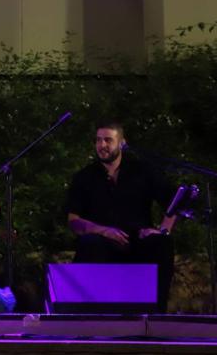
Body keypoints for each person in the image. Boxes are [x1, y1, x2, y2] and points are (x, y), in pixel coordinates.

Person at [66, 121, 176, 312]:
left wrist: (162, 230)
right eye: (98, 140)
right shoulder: (84, 177)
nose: (102, 145)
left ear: (122, 143)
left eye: (108, 140)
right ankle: (94, 319)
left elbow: (174, 203)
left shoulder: (142, 171)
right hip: (102, 240)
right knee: (89, 244)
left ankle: (157, 316)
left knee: (162, 243)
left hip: (138, 239)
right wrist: (104, 231)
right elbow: (73, 221)